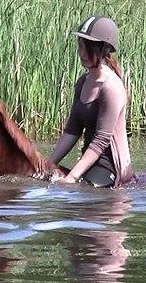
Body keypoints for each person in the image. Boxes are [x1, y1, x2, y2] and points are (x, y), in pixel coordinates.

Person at [48, 16, 135, 188]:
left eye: (87, 48)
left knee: (80, 194)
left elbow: (101, 140)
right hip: (90, 163)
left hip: (110, 168)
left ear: (102, 50)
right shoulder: (82, 82)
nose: (82, 53)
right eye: (80, 46)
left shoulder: (112, 87)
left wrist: (72, 177)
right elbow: (72, 130)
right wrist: (46, 165)